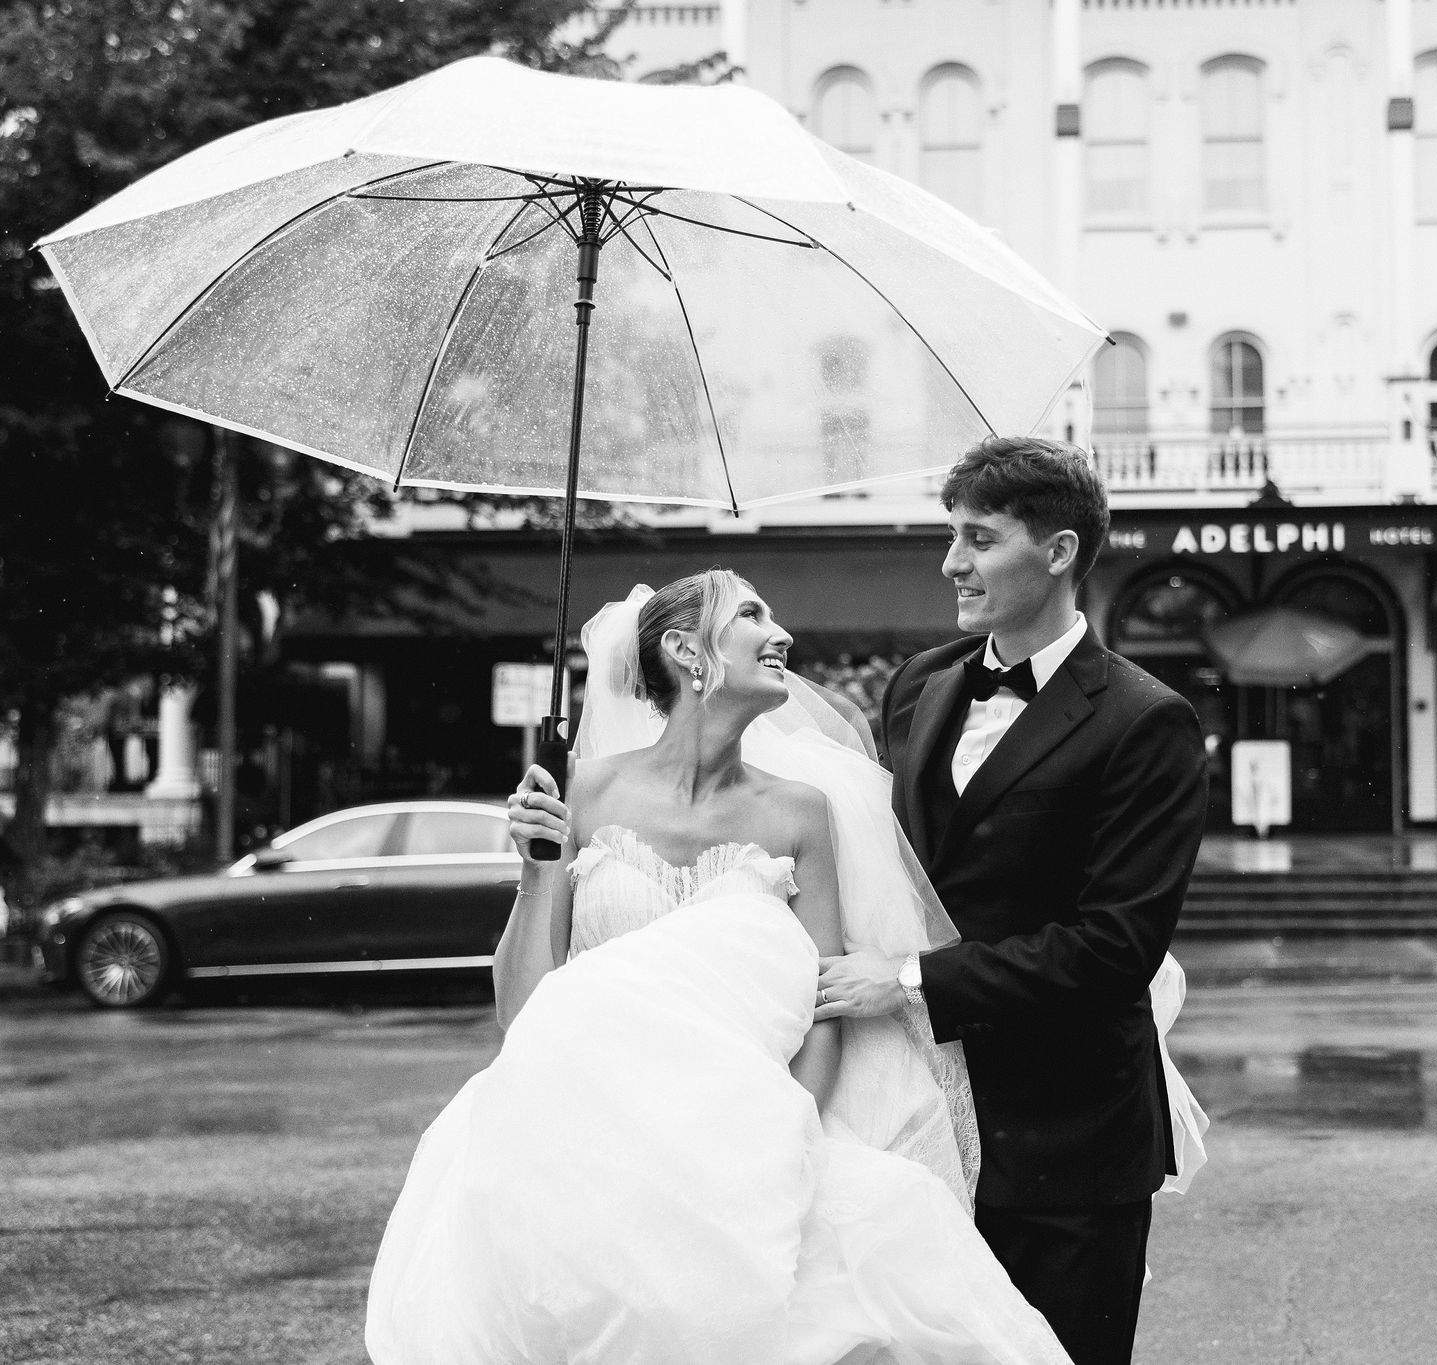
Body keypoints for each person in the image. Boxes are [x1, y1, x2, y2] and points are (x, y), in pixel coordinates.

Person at [364, 570, 1071, 1365]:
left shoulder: (802, 810)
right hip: (584, 1143)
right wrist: (536, 871)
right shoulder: (583, 791)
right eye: (752, 615)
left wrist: (775, 1146)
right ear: (686, 652)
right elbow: (522, 1013)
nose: (784, 635)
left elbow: (824, 1004)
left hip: (757, 1147)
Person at [816, 437, 1211, 1365]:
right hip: (916, 1124)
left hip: (1071, 1142)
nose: (952, 561)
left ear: (1061, 550)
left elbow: (1116, 946)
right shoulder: (921, 684)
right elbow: (884, 861)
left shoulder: (1147, 721)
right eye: (952, 535)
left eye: (979, 538)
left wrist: (908, 980)